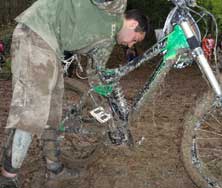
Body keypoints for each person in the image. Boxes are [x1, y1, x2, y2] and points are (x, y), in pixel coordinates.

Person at [0, 0, 149, 187]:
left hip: (52, 48)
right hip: (36, 33)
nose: (130, 45)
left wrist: (107, 108)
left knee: (53, 114)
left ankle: (54, 168)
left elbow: (95, 77)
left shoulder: (107, 43)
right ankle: (8, 176)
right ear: (133, 24)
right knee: (32, 110)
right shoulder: (116, 7)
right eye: (134, 39)